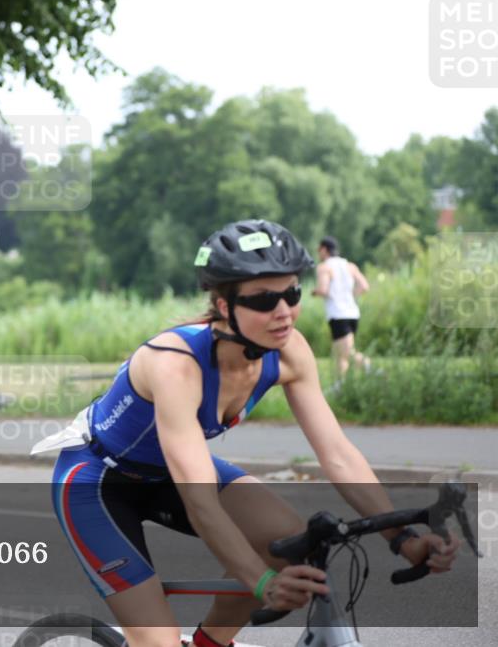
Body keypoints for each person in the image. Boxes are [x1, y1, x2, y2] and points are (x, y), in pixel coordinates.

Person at [45, 220, 457, 647]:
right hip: (96, 483)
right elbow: (200, 502)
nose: (283, 311)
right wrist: (261, 584)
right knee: (159, 642)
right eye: (264, 300)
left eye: (292, 294)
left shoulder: (290, 351)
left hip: (169, 470)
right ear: (223, 306)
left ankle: (210, 644)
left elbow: (337, 454)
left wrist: (401, 538)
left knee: (285, 537)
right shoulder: (174, 364)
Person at [312, 235, 371, 377]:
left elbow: (323, 289)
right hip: (353, 314)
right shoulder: (350, 266)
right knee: (340, 354)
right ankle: (341, 385)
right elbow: (364, 286)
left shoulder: (324, 267)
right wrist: (350, 295)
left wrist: (314, 292)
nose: (318, 253)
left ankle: (372, 369)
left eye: (319, 249)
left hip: (338, 315)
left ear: (324, 249)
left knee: (347, 354)